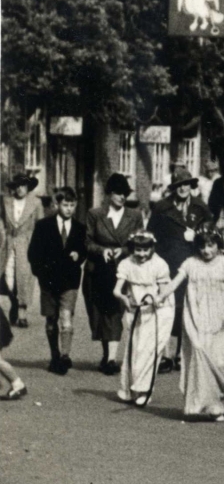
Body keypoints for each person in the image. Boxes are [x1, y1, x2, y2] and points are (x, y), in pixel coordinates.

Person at [173, 224, 224, 421]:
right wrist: (159, 296)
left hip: (220, 318)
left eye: (210, 245)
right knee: (199, 354)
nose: (206, 250)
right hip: (196, 316)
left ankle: (214, 403)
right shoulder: (190, 263)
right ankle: (195, 405)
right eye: (202, 246)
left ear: (218, 245)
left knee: (219, 360)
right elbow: (174, 283)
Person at [84, 173, 152, 375]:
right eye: (119, 193)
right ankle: (107, 355)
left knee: (114, 311)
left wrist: (122, 251)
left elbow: (140, 241)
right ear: (109, 193)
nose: (123, 197)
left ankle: (112, 358)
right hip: (97, 271)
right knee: (99, 313)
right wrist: (101, 250)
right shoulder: (95, 214)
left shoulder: (134, 215)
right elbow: (87, 241)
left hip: (123, 271)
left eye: (126, 193)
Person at [111, 238, 174, 405]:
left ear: (152, 248)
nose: (142, 254)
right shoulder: (125, 264)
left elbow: (163, 293)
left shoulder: (160, 264)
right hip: (135, 310)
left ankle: (145, 390)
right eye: (138, 250)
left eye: (146, 250)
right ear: (132, 249)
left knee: (150, 350)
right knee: (135, 349)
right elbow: (117, 290)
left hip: (160, 311)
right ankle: (130, 390)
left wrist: (152, 300)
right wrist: (124, 298)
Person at [29, 191, 86, 375]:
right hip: (48, 281)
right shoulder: (43, 226)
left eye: (72, 205)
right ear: (57, 205)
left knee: (66, 318)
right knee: (51, 320)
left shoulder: (79, 228)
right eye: (65, 205)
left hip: (69, 281)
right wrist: (40, 273)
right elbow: (33, 253)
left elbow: (84, 250)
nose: (69, 209)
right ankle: (54, 354)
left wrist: (79, 255)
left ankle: (65, 356)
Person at [2, 171, 39, 329]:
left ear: (28, 187)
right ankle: (14, 302)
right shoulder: (6, 202)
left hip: (27, 243)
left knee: (24, 278)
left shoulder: (35, 204)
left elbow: (40, 226)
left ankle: (22, 314)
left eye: (23, 185)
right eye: (17, 186)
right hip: (9, 243)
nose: (20, 189)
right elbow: (2, 223)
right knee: (8, 278)